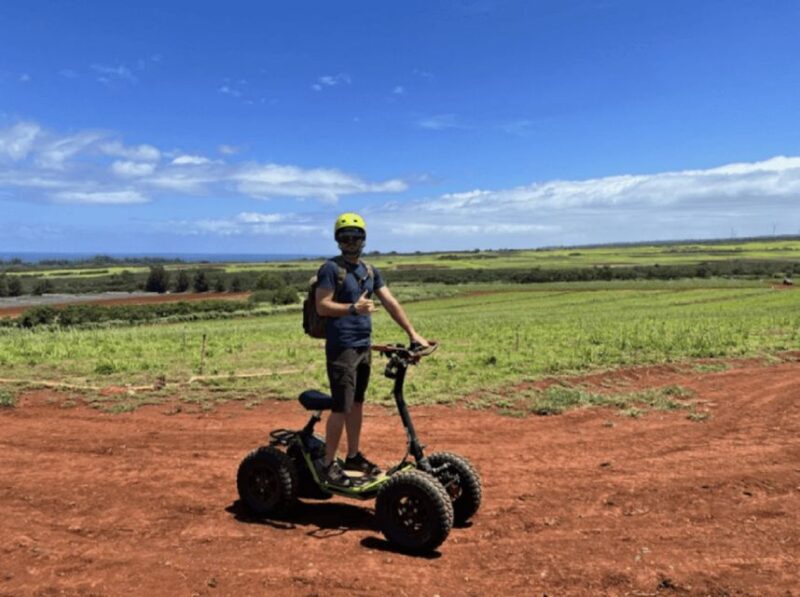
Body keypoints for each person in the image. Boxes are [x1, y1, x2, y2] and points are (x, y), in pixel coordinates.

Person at [315, 212, 430, 486]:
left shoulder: (369, 271)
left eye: (356, 237)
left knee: (357, 404)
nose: (351, 242)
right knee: (341, 407)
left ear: (363, 239)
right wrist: (353, 308)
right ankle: (328, 465)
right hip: (341, 348)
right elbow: (322, 305)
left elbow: (390, 302)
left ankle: (353, 456)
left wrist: (412, 334)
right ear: (338, 240)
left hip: (363, 347)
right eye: (345, 237)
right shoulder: (330, 269)